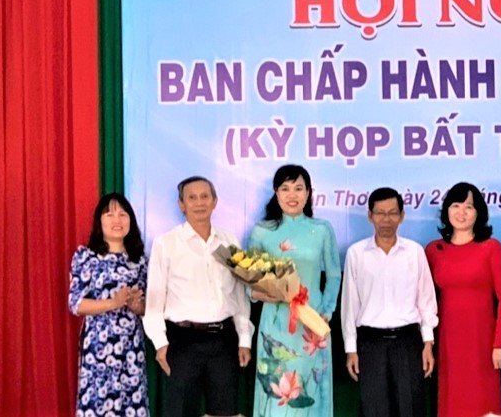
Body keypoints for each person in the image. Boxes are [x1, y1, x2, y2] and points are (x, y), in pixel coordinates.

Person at [142, 176, 254, 417]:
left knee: (225, 412)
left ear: (215, 201)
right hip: (182, 340)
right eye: (192, 198)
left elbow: (238, 294)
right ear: (181, 204)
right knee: (181, 411)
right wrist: (161, 344)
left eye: (205, 196)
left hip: (224, 339)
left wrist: (244, 338)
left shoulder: (229, 241)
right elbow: (154, 300)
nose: (199, 203)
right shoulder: (166, 243)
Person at [247, 164, 341, 417]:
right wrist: (260, 293)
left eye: (299, 188)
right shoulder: (262, 231)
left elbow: (333, 275)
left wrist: (325, 312)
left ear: (308, 193)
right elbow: (250, 281)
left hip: (312, 323)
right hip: (275, 324)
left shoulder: (322, 229)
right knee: (277, 392)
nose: (292, 195)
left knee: (311, 390)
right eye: (285, 188)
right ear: (276, 193)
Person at [342, 187, 438, 417]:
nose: (386, 219)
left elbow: (426, 300)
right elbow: (349, 306)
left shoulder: (414, 252)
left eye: (393, 213)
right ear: (370, 216)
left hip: (408, 342)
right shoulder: (356, 253)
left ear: (402, 216)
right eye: (380, 213)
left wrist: (428, 342)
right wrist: (351, 349)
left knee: (411, 409)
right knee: (375, 411)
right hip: (371, 344)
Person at [425, 182, 501, 417]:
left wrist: (500, 344)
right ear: (446, 210)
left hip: (483, 342)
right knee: (452, 401)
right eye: (456, 205)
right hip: (448, 343)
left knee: (483, 402)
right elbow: (424, 300)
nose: (461, 212)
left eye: (469, 207)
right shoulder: (434, 250)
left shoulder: (491, 248)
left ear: (478, 213)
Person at [68, 193, 149, 417]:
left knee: (131, 407)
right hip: (99, 349)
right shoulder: (86, 257)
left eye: (123, 214)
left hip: (131, 348)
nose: (117, 220)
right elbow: (76, 304)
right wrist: (114, 302)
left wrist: (136, 305)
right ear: (99, 221)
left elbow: (147, 308)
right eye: (110, 215)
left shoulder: (139, 260)